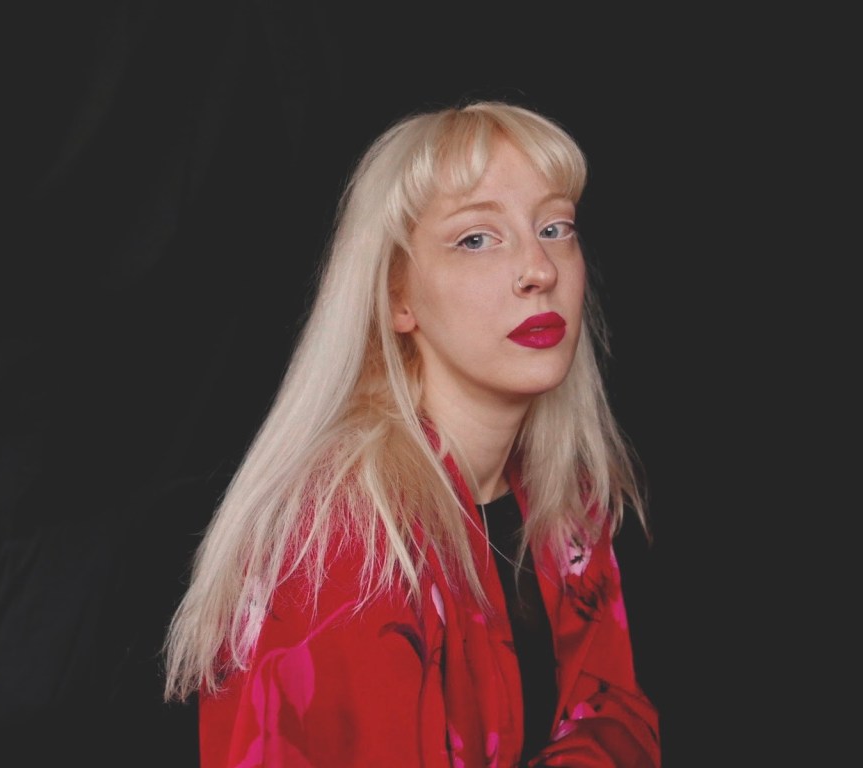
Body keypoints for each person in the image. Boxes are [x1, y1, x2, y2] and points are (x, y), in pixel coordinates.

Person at [163, 99, 660, 767]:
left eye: (554, 227)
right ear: (398, 296)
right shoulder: (343, 545)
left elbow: (613, 714)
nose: (539, 270)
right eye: (476, 238)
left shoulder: (565, 498)